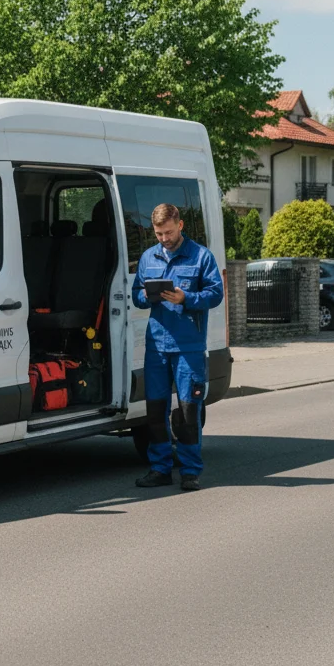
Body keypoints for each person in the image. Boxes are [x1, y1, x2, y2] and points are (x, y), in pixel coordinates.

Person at [131, 202, 223, 491]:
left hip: (188, 347)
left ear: (179, 225)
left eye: (168, 232)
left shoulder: (200, 256)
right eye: (158, 234)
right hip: (157, 345)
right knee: (155, 412)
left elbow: (215, 294)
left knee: (187, 412)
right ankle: (159, 469)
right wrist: (148, 296)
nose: (164, 239)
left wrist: (186, 299)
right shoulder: (149, 257)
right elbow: (137, 295)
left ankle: (190, 471)